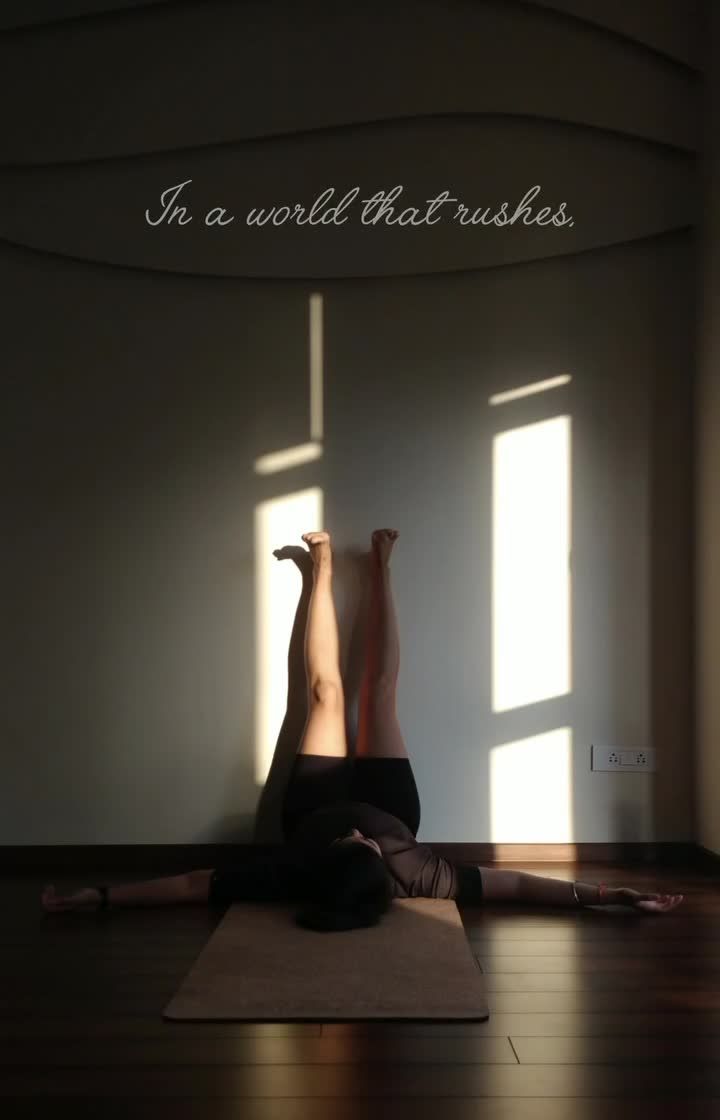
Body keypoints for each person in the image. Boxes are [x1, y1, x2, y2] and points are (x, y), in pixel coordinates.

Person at [41, 530, 683, 927]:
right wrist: (610, 893)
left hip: (309, 807)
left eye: (345, 843)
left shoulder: (292, 871)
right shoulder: (419, 875)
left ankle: (319, 571)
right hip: (392, 808)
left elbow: (189, 885)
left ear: (320, 866)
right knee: (378, 694)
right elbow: (515, 885)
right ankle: (381, 569)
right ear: (382, 864)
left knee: (324, 695)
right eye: (361, 844)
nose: (354, 833)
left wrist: (99, 897)